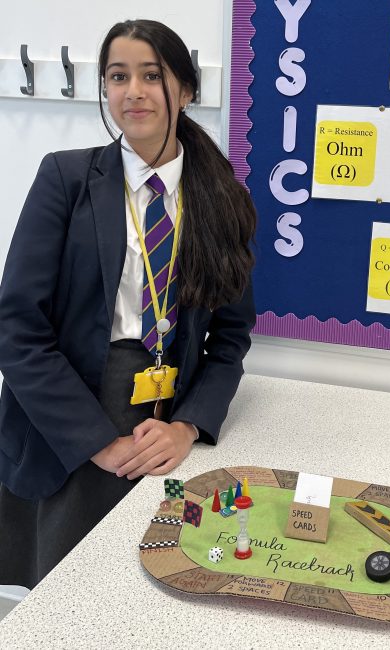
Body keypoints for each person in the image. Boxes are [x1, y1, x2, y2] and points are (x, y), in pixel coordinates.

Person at [0, 19, 257, 589]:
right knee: (70, 586)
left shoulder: (223, 197)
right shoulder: (66, 178)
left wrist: (188, 425)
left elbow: (231, 337)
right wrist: (96, 441)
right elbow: (16, 327)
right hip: (74, 408)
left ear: (185, 90)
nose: (133, 92)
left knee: (160, 575)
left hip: (169, 405)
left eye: (151, 75)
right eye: (118, 77)